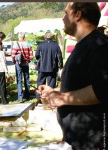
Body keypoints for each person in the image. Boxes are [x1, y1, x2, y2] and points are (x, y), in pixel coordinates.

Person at [37, 2, 108, 149]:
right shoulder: (84, 45)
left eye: (65, 13)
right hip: (77, 138)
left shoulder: (99, 45)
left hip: (91, 141)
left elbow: (103, 89)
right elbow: (81, 84)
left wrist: (62, 98)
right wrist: (54, 91)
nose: (62, 18)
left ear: (77, 15)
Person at [35, 31, 63, 100]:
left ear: (45, 37)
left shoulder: (41, 45)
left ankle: (39, 98)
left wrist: (41, 59)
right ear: (52, 37)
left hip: (42, 67)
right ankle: (51, 97)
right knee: (51, 84)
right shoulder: (55, 45)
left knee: (40, 84)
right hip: (52, 68)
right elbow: (60, 56)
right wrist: (61, 65)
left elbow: (37, 55)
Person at [11, 32, 33, 102]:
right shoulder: (28, 44)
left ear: (19, 37)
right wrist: (28, 60)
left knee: (19, 80)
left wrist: (14, 61)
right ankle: (27, 95)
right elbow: (31, 55)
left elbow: (13, 54)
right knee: (27, 79)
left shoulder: (16, 44)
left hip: (18, 64)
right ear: (24, 37)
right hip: (26, 63)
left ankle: (20, 97)